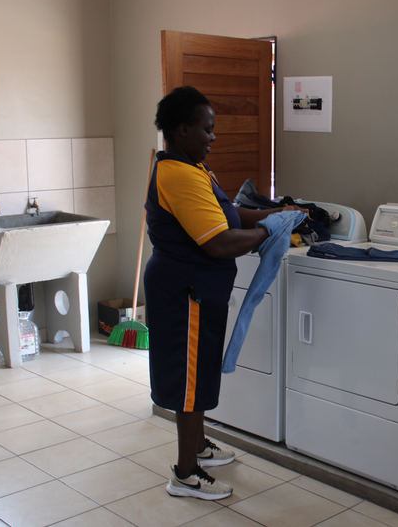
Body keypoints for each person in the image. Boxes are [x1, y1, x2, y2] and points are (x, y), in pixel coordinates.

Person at [144, 86, 302, 500]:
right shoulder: (178, 175)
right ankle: (185, 474)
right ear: (183, 129)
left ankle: (198, 446)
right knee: (189, 380)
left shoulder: (193, 168)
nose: (213, 137)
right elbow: (219, 242)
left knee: (198, 373)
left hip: (196, 288)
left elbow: (228, 216)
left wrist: (274, 214)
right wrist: (268, 231)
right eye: (207, 129)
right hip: (185, 292)